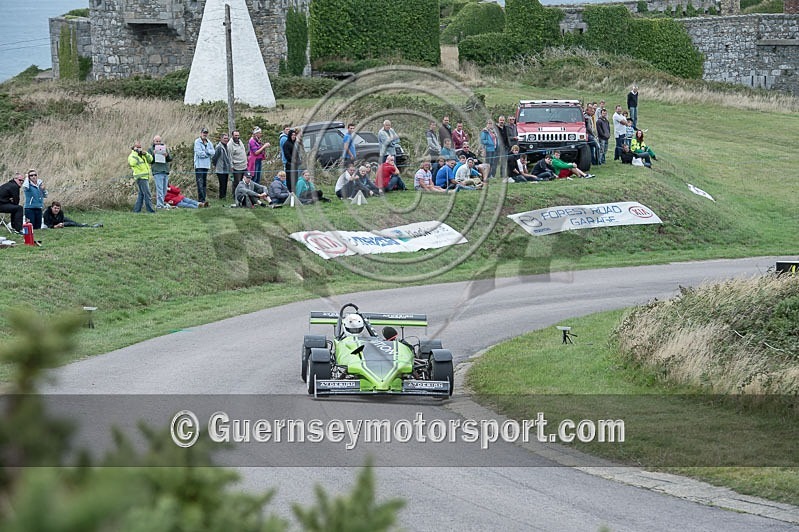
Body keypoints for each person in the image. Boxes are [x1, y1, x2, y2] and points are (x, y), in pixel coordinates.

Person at [129, 141, 155, 213]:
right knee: (147, 194)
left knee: (141, 194)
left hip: (145, 176)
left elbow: (151, 159)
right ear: (134, 148)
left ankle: (137, 210)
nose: (139, 148)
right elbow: (132, 163)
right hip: (140, 177)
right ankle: (150, 210)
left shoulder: (143, 155)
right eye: (137, 147)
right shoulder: (132, 156)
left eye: (140, 147)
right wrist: (136, 153)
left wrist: (146, 154)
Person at [148, 135, 173, 209]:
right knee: (159, 189)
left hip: (165, 170)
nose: (158, 143)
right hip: (157, 171)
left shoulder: (164, 148)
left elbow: (170, 158)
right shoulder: (150, 149)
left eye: (159, 141)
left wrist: (167, 155)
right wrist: (154, 154)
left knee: (164, 189)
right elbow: (149, 160)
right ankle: (159, 205)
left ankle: (162, 203)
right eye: (156, 141)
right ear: (154, 141)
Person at [194, 127, 214, 204]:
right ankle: (201, 199)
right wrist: (207, 154)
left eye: (206, 133)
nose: (205, 134)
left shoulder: (209, 142)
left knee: (204, 183)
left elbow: (213, 152)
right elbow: (199, 153)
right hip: (199, 165)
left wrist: (206, 152)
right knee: (200, 183)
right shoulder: (197, 142)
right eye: (203, 133)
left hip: (206, 165)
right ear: (201, 133)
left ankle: (204, 199)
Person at [212, 132, 232, 200]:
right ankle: (221, 197)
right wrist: (216, 165)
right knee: (222, 184)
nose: (226, 139)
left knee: (225, 184)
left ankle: (224, 197)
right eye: (224, 138)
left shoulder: (227, 146)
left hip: (226, 169)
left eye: (227, 138)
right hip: (220, 169)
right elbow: (214, 158)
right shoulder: (219, 147)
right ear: (221, 139)